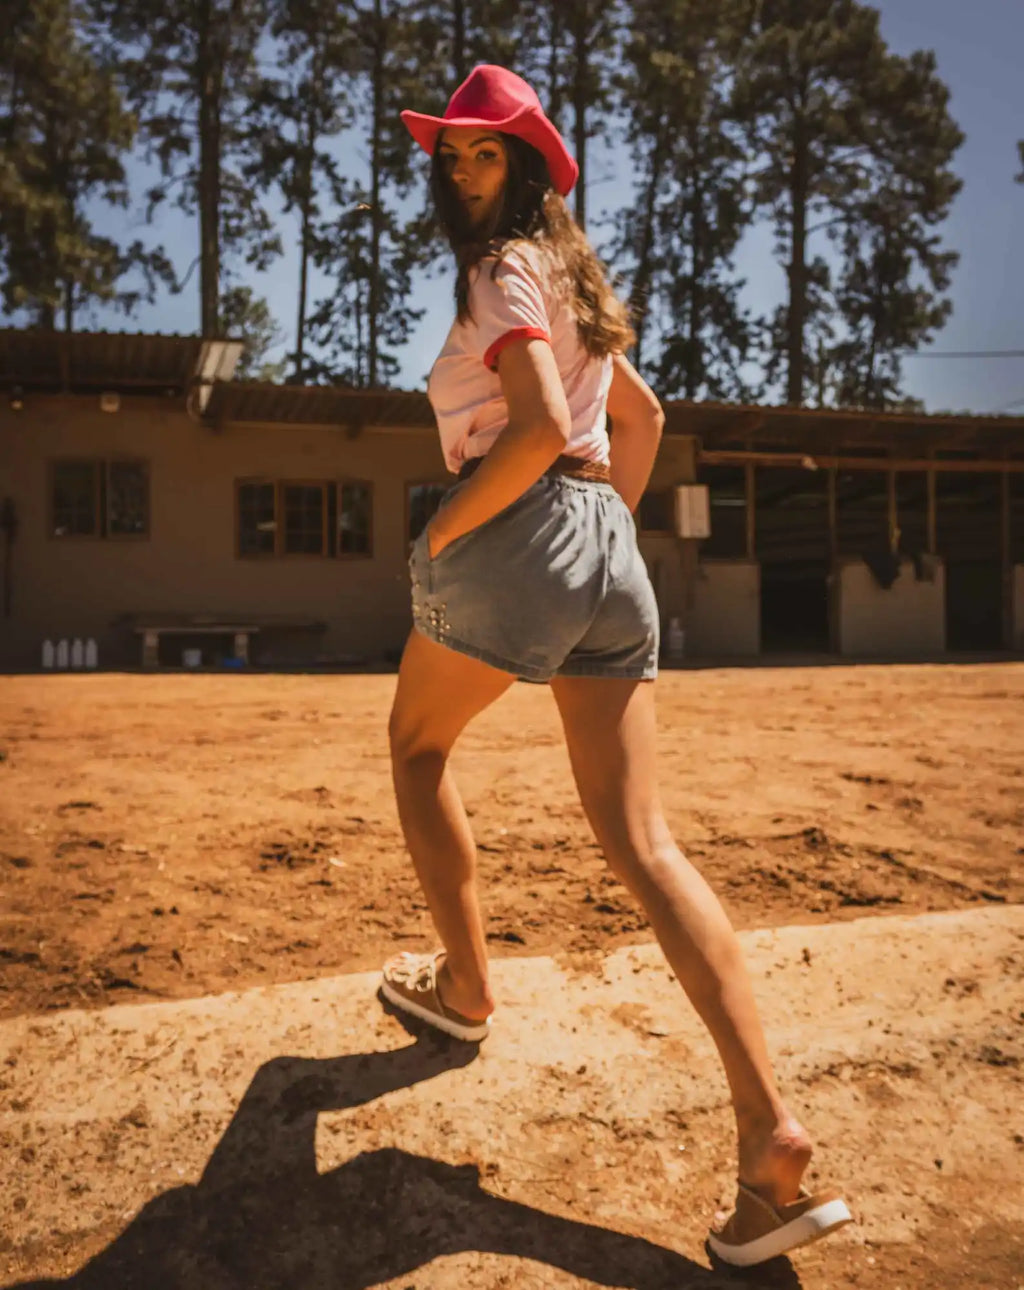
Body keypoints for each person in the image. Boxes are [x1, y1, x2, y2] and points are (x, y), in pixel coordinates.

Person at [380, 64, 851, 1268]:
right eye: (451, 153)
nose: (457, 168)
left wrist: (444, 531)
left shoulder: (497, 273)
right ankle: (770, 1135)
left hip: (524, 518)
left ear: (527, 166)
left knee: (420, 743)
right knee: (645, 844)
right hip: (604, 542)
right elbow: (630, 425)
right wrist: (595, 551)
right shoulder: (573, 284)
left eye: (482, 152)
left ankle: (468, 988)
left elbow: (535, 427)